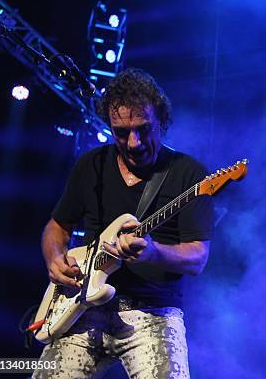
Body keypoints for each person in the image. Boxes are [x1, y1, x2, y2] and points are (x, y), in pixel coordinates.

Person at [34, 68, 214, 378]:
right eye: (121, 131)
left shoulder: (189, 173)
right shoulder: (92, 165)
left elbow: (198, 257)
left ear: (162, 121)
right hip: (81, 309)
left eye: (144, 129)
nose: (133, 142)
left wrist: (154, 253)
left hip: (153, 312)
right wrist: (54, 258)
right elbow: (56, 226)